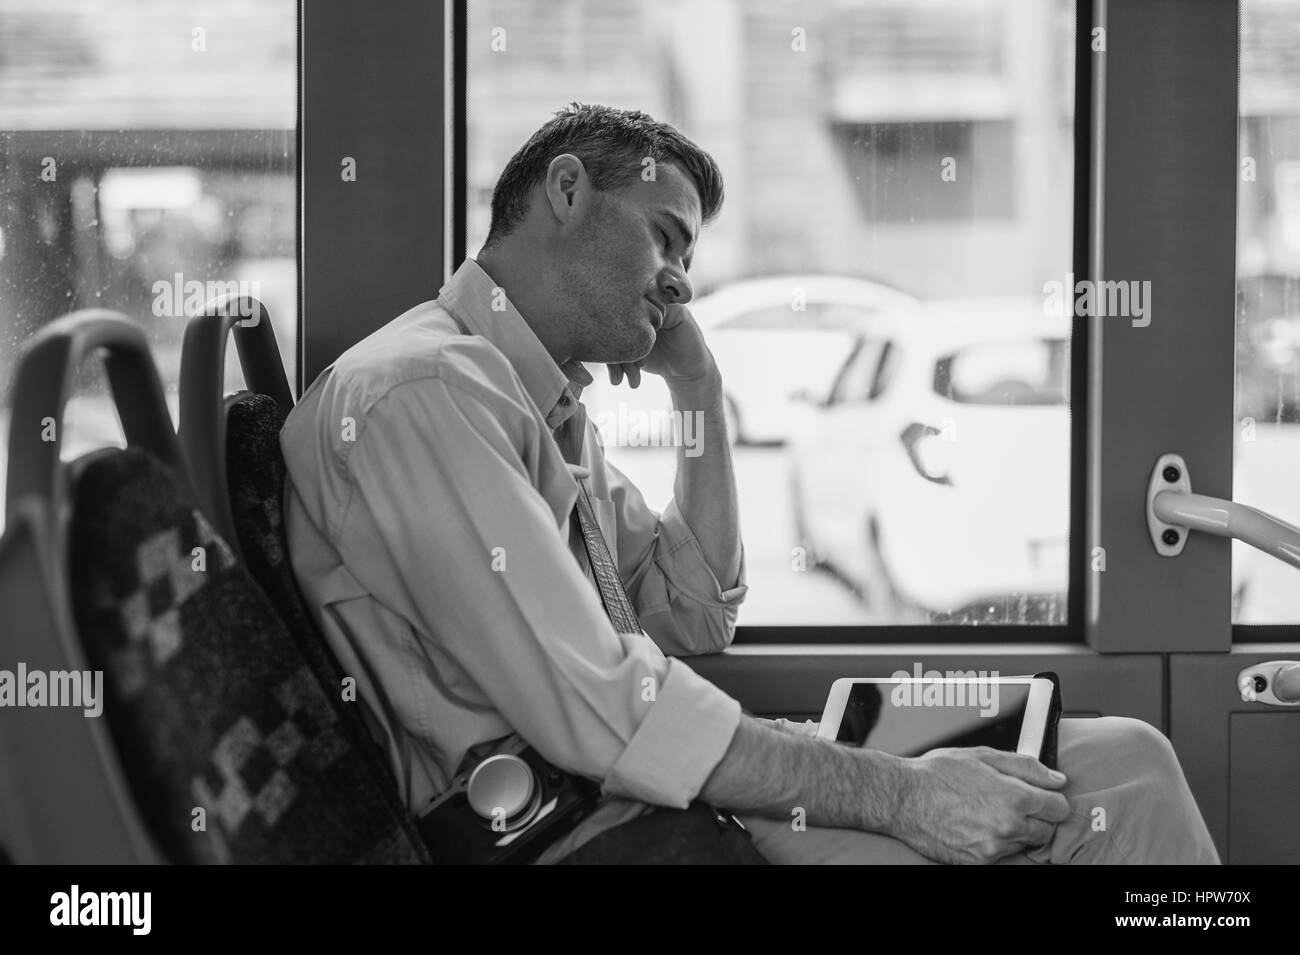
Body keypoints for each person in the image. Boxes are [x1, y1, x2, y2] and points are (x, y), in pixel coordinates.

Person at [279, 102, 1219, 864]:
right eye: (667, 239)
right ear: (567, 190)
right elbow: (610, 712)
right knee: (1067, 816)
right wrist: (907, 796)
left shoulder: (541, 407)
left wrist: (700, 384)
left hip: (627, 772)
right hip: (579, 820)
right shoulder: (426, 392)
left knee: (1131, 759)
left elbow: (693, 611)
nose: (681, 282)